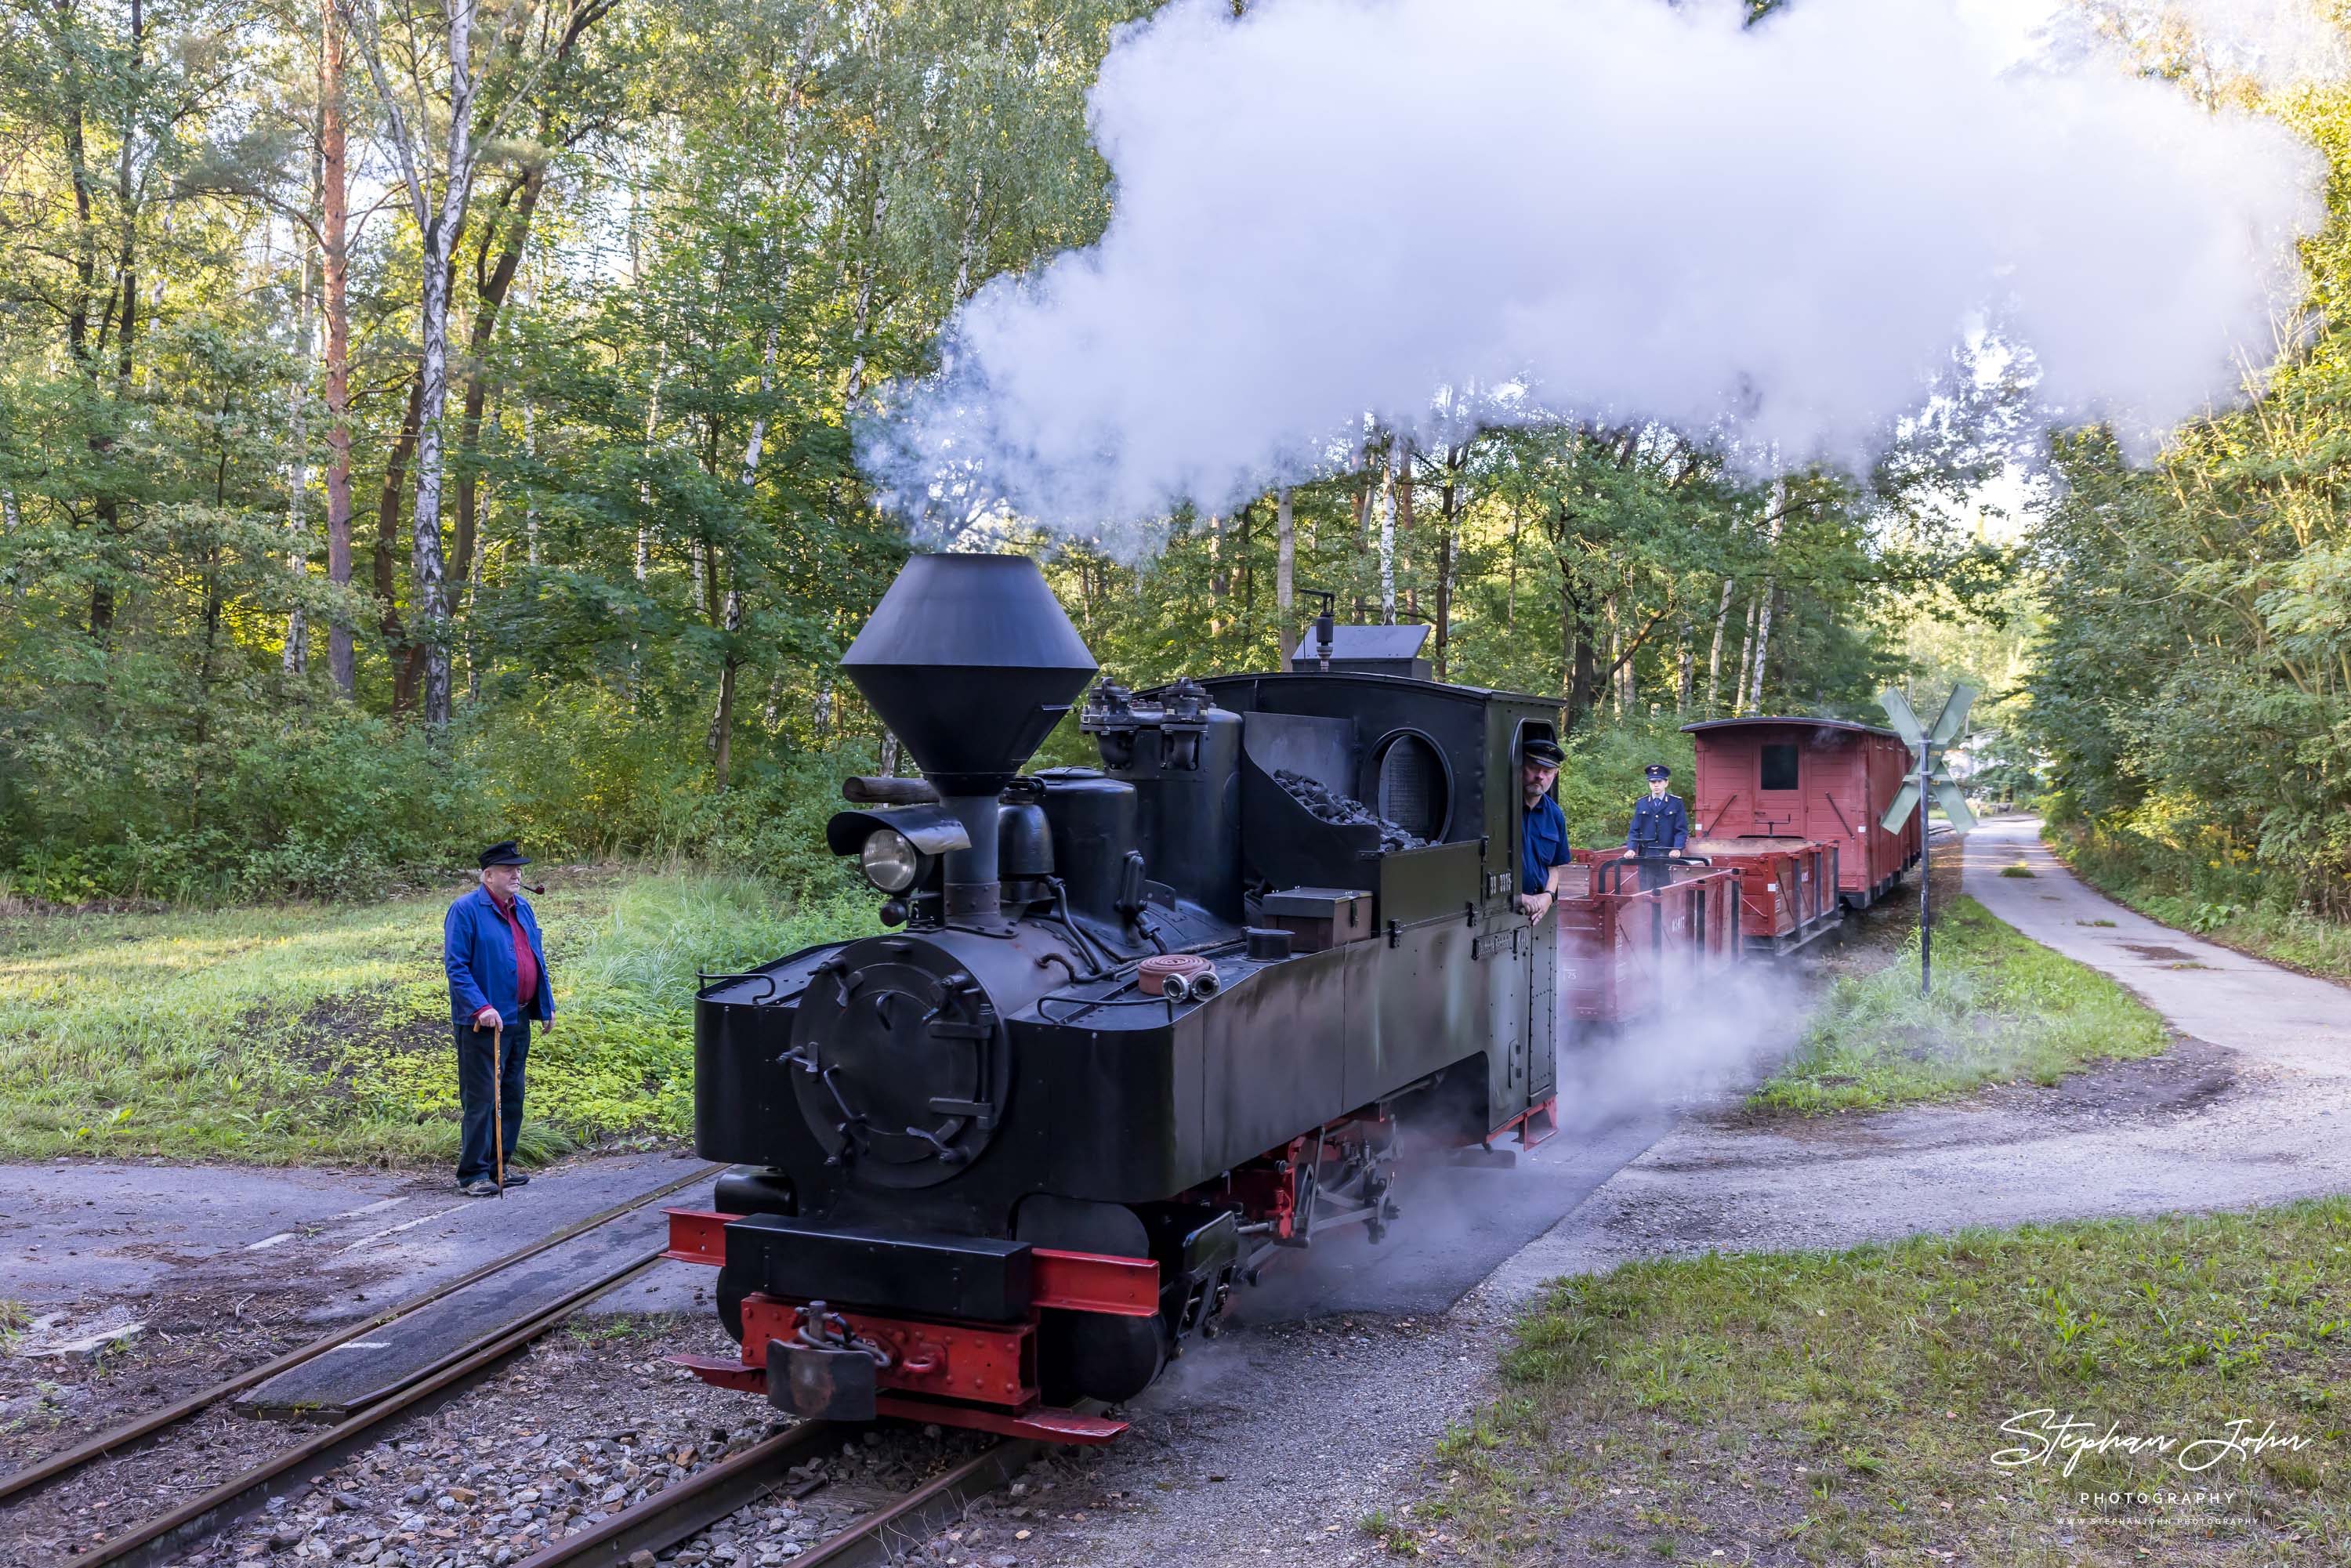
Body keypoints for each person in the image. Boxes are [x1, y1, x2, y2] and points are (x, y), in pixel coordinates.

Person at [444, 841, 554, 1196]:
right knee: (482, 1097)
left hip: (518, 1017)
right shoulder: (465, 910)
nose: (517, 874)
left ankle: (499, 1167)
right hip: (483, 1022)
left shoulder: (522, 908)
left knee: (512, 1093)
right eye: (509, 869)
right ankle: (473, 1173)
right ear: (488, 875)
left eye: (519, 869)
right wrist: (481, 1007)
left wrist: (546, 1004)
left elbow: (534, 956)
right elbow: (456, 966)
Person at [1516, 737, 1571, 925]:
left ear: (1555, 775)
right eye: (1534, 768)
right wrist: (1516, 896)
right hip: (1504, 910)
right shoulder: (1499, 810)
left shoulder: (1555, 815)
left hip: (1539, 913)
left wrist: (1548, 897)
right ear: (1521, 766)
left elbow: (1554, 867)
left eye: (1547, 771)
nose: (1540, 776)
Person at [1621, 762, 1690, 891]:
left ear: (1666, 783)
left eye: (1659, 781)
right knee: (1645, 893)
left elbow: (1681, 830)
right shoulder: (1642, 803)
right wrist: (1631, 849)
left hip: (1668, 856)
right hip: (1646, 856)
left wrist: (1677, 848)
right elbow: (1634, 830)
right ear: (1649, 784)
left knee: (1666, 893)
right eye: (1653, 782)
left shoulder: (1676, 803)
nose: (1656, 785)